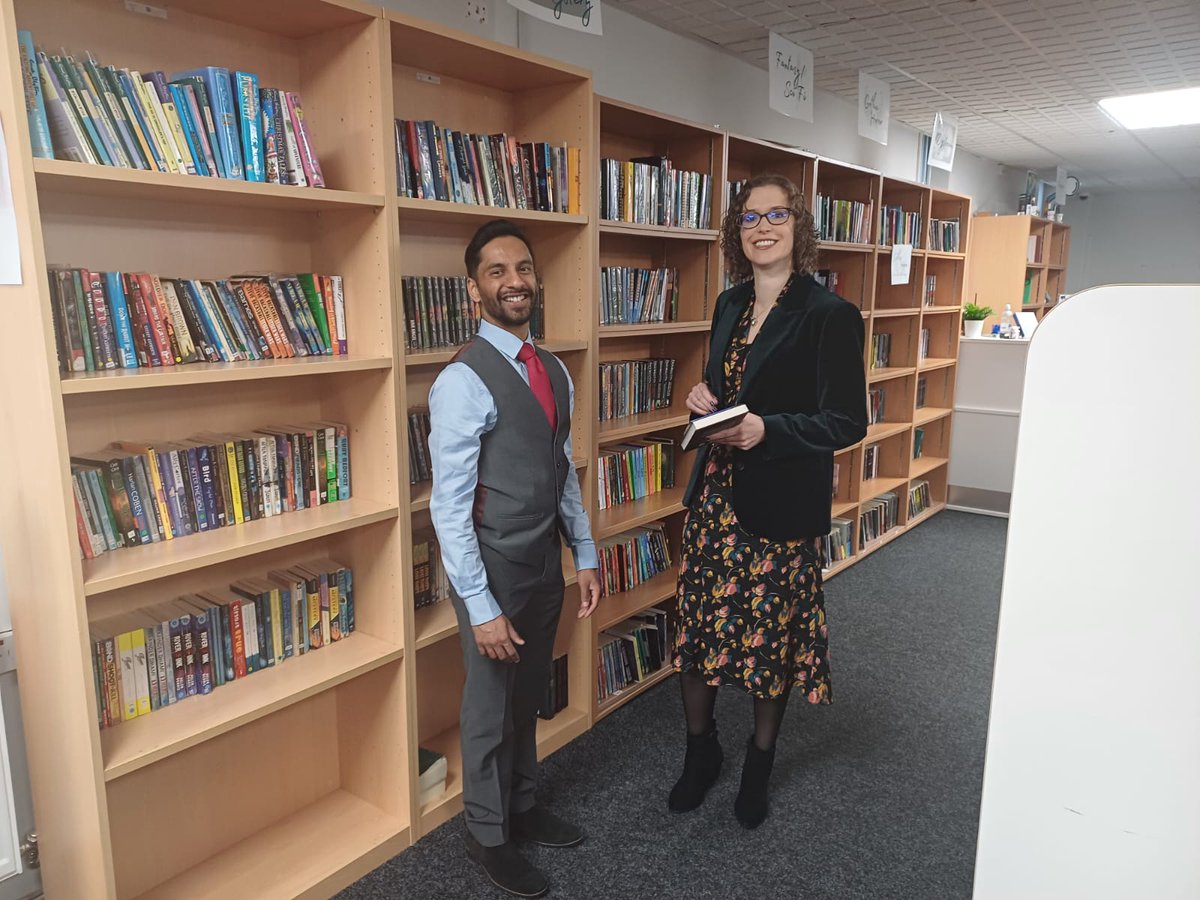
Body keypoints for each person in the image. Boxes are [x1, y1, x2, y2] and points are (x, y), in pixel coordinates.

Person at [669, 173, 868, 829]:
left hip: (780, 505)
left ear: (798, 226)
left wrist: (769, 430)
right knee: (698, 632)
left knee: (766, 646)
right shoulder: (729, 303)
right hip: (718, 501)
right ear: (737, 231)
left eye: (775, 215)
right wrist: (704, 398)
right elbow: (727, 384)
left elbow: (846, 422)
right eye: (749, 218)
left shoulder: (830, 315)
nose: (761, 228)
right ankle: (702, 751)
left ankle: (759, 762)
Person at [429, 219, 602, 898]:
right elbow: (448, 507)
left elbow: (561, 468)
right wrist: (478, 606)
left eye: (523, 268)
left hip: (543, 562)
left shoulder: (553, 368)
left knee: (528, 694)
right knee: (489, 707)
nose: (515, 282)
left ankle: (523, 807)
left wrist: (584, 553)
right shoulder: (461, 381)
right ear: (476, 290)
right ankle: (487, 832)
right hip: (492, 568)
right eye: (497, 271)